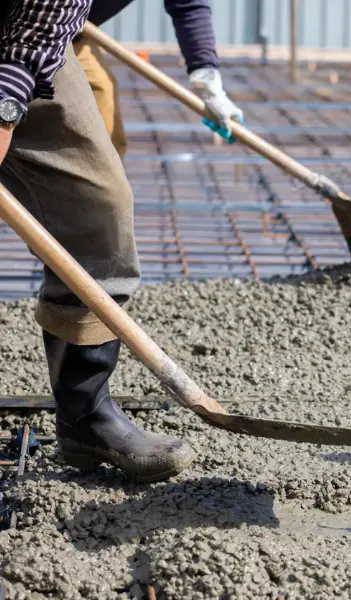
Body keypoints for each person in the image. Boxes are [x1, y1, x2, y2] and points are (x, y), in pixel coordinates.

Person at [0, 0, 195, 483]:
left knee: (100, 206)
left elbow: (44, 18)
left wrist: (5, 108)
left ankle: (85, 416)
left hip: (24, 29)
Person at [74, 0, 244, 159]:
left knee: (99, 94)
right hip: (50, 25)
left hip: (72, 31)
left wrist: (209, 86)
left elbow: (188, 6)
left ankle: (100, 185)